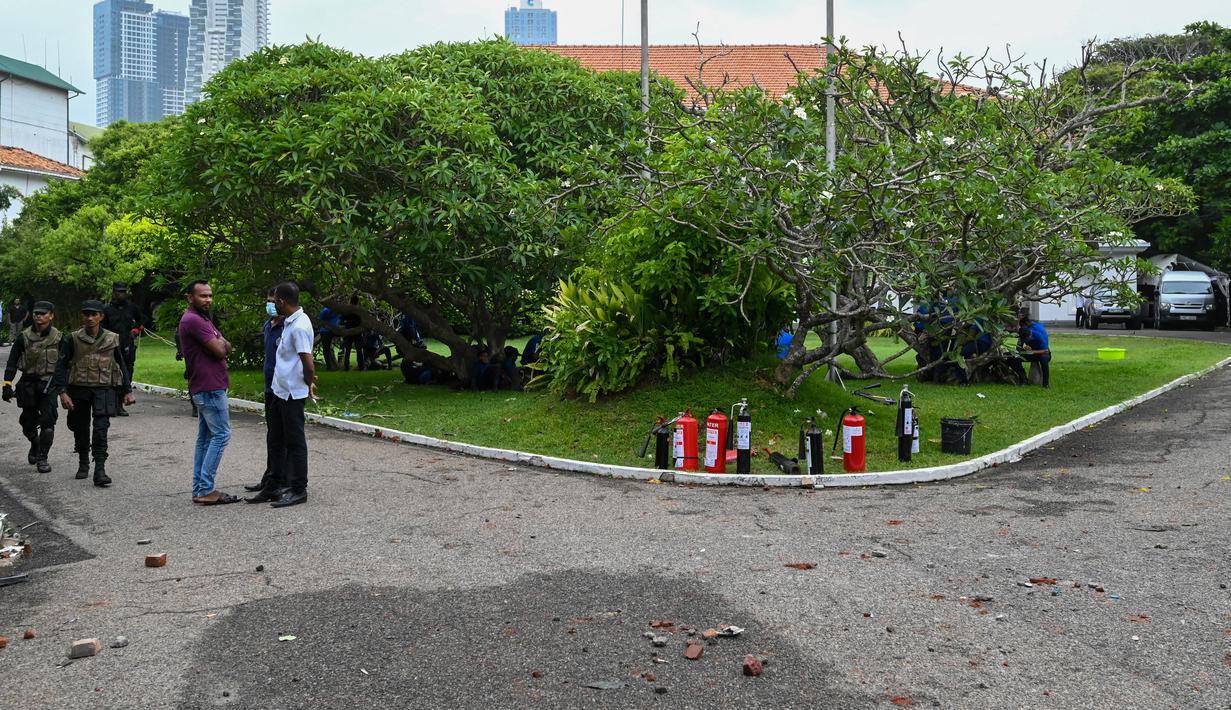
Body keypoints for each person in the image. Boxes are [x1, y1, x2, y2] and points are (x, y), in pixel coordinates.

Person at [52, 300, 135, 486]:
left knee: (101, 429)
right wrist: (62, 392)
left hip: (104, 389)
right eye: (86, 314)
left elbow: (121, 364)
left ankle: (100, 469)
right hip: (79, 390)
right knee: (80, 428)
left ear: (101, 317)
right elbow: (61, 367)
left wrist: (127, 391)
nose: (90, 318)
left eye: (94, 314)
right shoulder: (72, 339)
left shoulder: (112, 338)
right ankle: (83, 461)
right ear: (82, 316)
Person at [177, 280, 239, 505]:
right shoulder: (193, 320)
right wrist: (221, 344)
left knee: (205, 439)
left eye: (210, 295)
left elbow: (227, 345)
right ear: (190, 297)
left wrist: (222, 344)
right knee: (221, 435)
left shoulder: (202, 318)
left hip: (206, 386)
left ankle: (200, 489)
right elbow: (221, 350)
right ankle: (205, 489)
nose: (208, 300)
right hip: (209, 386)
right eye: (203, 296)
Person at [266, 281, 317, 508]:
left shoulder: (300, 326)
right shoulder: (289, 321)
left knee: (295, 442)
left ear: (281, 301)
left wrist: (308, 383)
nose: (273, 304)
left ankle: (299, 489)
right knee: (277, 438)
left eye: (275, 300)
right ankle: (276, 484)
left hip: (292, 393)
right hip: (280, 390)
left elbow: (308, 363)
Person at [3, 301, 63, 472]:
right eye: (36, 313)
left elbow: (65, 364)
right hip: (28, 384)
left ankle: (43, 458)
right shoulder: (24, 337)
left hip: (49, 385)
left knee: (48, 422)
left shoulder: (59, 338)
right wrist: (7, 384)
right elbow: (12, 361)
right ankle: (35, 443)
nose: (39, 316)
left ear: (51, 316)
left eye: (43, 313)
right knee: (27, 422)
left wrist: (64, 388)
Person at [245, 289, 286, 502]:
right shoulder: (267, 326)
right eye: (268, 301)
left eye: (273, 302)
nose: (270, 305)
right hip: (269, 387)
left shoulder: (287, 327)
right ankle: (269, 476)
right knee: (272, 436)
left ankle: (279, 480)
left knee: (280, 437)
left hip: (282, 388)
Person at [102, 283, 146, 416]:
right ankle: (112, 404)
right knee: (111, 374)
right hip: (111, 346)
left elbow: (142, 320)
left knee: (127, 372)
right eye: (118, 291)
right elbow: (102, 328)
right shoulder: (107, 309)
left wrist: (136, 330)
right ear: (113, 292)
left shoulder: (132, 307)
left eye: (123, 291)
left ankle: (120, 403)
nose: (120, 294)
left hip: (127, 345)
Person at [1011, 313, 1051, 388]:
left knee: (1044, 359)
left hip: (1042, 352)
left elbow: (1046, 351)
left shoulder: (1038, 334)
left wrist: (1032, 352)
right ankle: (1023, 379)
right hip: (1031, 352)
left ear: (1030, 335)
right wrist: (1024, 348)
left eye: (1027, 339)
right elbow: (1018, 332)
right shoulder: (1025, 331)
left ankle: (1046, 384)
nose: (1026, 340)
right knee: (1013, 358)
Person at [339, 296, 363, 371]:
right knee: (359, 350)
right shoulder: (360, 310)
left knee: (348, 350)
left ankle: (346, 367)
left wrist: (345, 325)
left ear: (350, 301)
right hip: (357, 332)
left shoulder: (347, 310)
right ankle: (361, 367)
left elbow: (341, 321)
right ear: (357, 301)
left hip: (348, 331)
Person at [317, 305, 341, 371]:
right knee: (327, 349)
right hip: (330, 330)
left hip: (327, 331)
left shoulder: (326, 310)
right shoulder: (335, 310)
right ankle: (331, 366)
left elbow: (319, 319)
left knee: (326, 350)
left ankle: (330, 366)